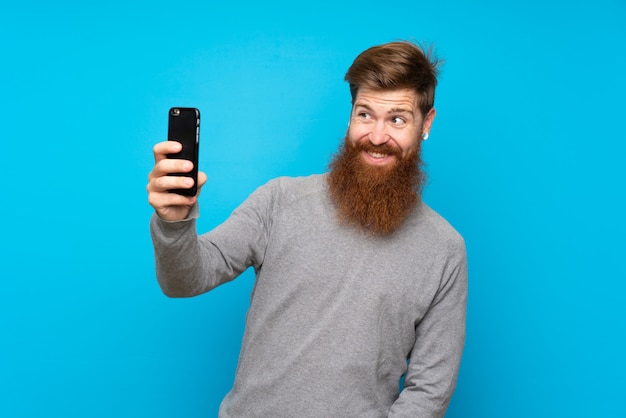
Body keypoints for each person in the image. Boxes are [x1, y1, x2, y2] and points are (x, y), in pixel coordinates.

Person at [147, 40, 467, 418]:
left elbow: (429, 391)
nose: (377, 137)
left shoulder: (444, 249)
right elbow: (184, 280)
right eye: (365, 114)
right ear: (350, 115)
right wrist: (173, 221)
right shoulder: (279, 200)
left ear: (426, 123)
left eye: (397, 119)